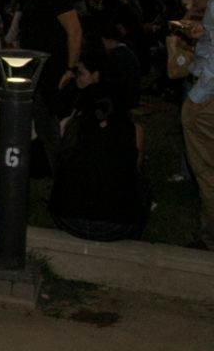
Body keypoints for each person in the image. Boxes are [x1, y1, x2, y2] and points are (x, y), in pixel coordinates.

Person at [49, 48, 149, 241]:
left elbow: (63, 158)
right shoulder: (133, 129)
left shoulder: (75, 123)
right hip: (116, 225)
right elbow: (134, 170)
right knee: (143, 187)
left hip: (69, 217)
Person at [18, 0, 85, 175]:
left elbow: (74, 30)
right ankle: (61, 179)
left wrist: (70, 69)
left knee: (50, 131)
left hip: (50, 74)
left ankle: (63, 181)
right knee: (46, 129)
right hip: (42, 71)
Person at [181, 0, 214, 250]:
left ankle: (210, 237)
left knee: (206, 168)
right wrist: (203, 32)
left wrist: (196, 98)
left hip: (208, 95)